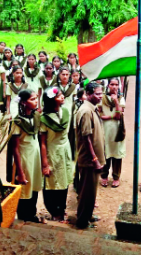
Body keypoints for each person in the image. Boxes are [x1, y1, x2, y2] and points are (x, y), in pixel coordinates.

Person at [9, 89, 44, 223]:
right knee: (24, 188)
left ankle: (32, 214)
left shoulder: (36, 117)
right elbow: (15, 148)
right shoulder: (17, 121)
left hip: (35, 157)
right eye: (32, 99)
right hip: (24, 158)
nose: (35, 101)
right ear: (23, 102)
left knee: (34, 186)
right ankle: (23, 216)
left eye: (36, 98)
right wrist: (20, 171)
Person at [75, 82, 105, 229]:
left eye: (101, 93)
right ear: (88, 94)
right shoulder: (86, 111)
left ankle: (88, 215)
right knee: (87, 192)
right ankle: (82, 220)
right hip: (89, 160)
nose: (100, 96)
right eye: (97, 94)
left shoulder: (92, 109)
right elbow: (86, 137)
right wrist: (94, 159)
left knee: (91, 191)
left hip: (93, 160)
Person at [40, 87, 73, 222]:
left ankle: (62, 208)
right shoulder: (44, 118)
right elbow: (42, 142)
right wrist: (45, 163)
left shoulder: (65, 111)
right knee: (52, 183)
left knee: (64, 180)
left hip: (65, 149)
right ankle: (53, 210)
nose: (62, 97)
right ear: (52, 100)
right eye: (59, 96)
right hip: (52, 151)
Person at [98, 78, 126, 188]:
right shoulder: (102, 98)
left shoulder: (121, 98)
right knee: (105, 153)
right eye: (112, 84)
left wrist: (116, 101)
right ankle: (104, 176)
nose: (114, 87)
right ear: (108, 85)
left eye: (116, 84)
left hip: (117, 130)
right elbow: (99, 115)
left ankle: (116, 177)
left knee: (117, 153)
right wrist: (111, 116)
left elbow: (119, 115)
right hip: (105, 130)